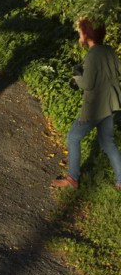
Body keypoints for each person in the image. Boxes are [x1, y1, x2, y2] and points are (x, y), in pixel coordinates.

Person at [51, 18, 121, 191]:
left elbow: (87, 83)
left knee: (73, 137)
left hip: (95, 107)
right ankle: (120, 180)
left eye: (80, 31)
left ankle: (72, 178)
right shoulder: (109, 51)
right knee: (107, 142)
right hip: (112, 104)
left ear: (87, 34)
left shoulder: (91, 55)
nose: (79, 34)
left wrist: (76, 77)